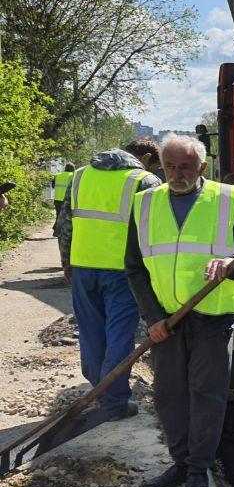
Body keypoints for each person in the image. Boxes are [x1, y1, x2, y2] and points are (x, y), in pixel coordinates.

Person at [127, 134, 234, 487]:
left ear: (202, 167)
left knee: (205, 392)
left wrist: (230, 266)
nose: (176, 173)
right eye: (169, 166)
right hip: (168, 320)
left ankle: (198, 470)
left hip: (212, 316)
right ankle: (180, 462)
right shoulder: (144, 203)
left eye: (185, 166)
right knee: (169, 393)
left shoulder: (227, 199)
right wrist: (153, 318)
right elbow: (134, 268)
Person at [56, 143, 163, 420]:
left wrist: (66, 260)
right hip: (123, 272)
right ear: (147, 158)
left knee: (91, 333)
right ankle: (113, 402)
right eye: (155, 164)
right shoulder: (145, 180)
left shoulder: (80, 175)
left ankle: (99, 388)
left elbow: (65, 222)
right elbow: (155, 232)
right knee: (119, 334)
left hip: (83, 266)